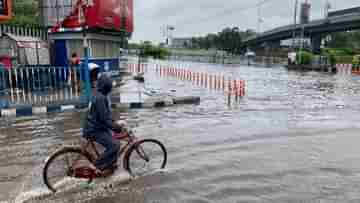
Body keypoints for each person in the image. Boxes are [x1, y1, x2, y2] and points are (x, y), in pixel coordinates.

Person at [82, 74, 119, 176]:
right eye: (110, 86)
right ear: (106, 86)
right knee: (115, 145)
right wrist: (116, 127)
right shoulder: (101, 98)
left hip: (93, 127)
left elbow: (106, 116)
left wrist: (114, 123)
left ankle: (108, 167)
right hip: (94, 130)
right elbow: (105, 119)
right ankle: (96, 165)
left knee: (113, 141)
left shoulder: (98, 95)